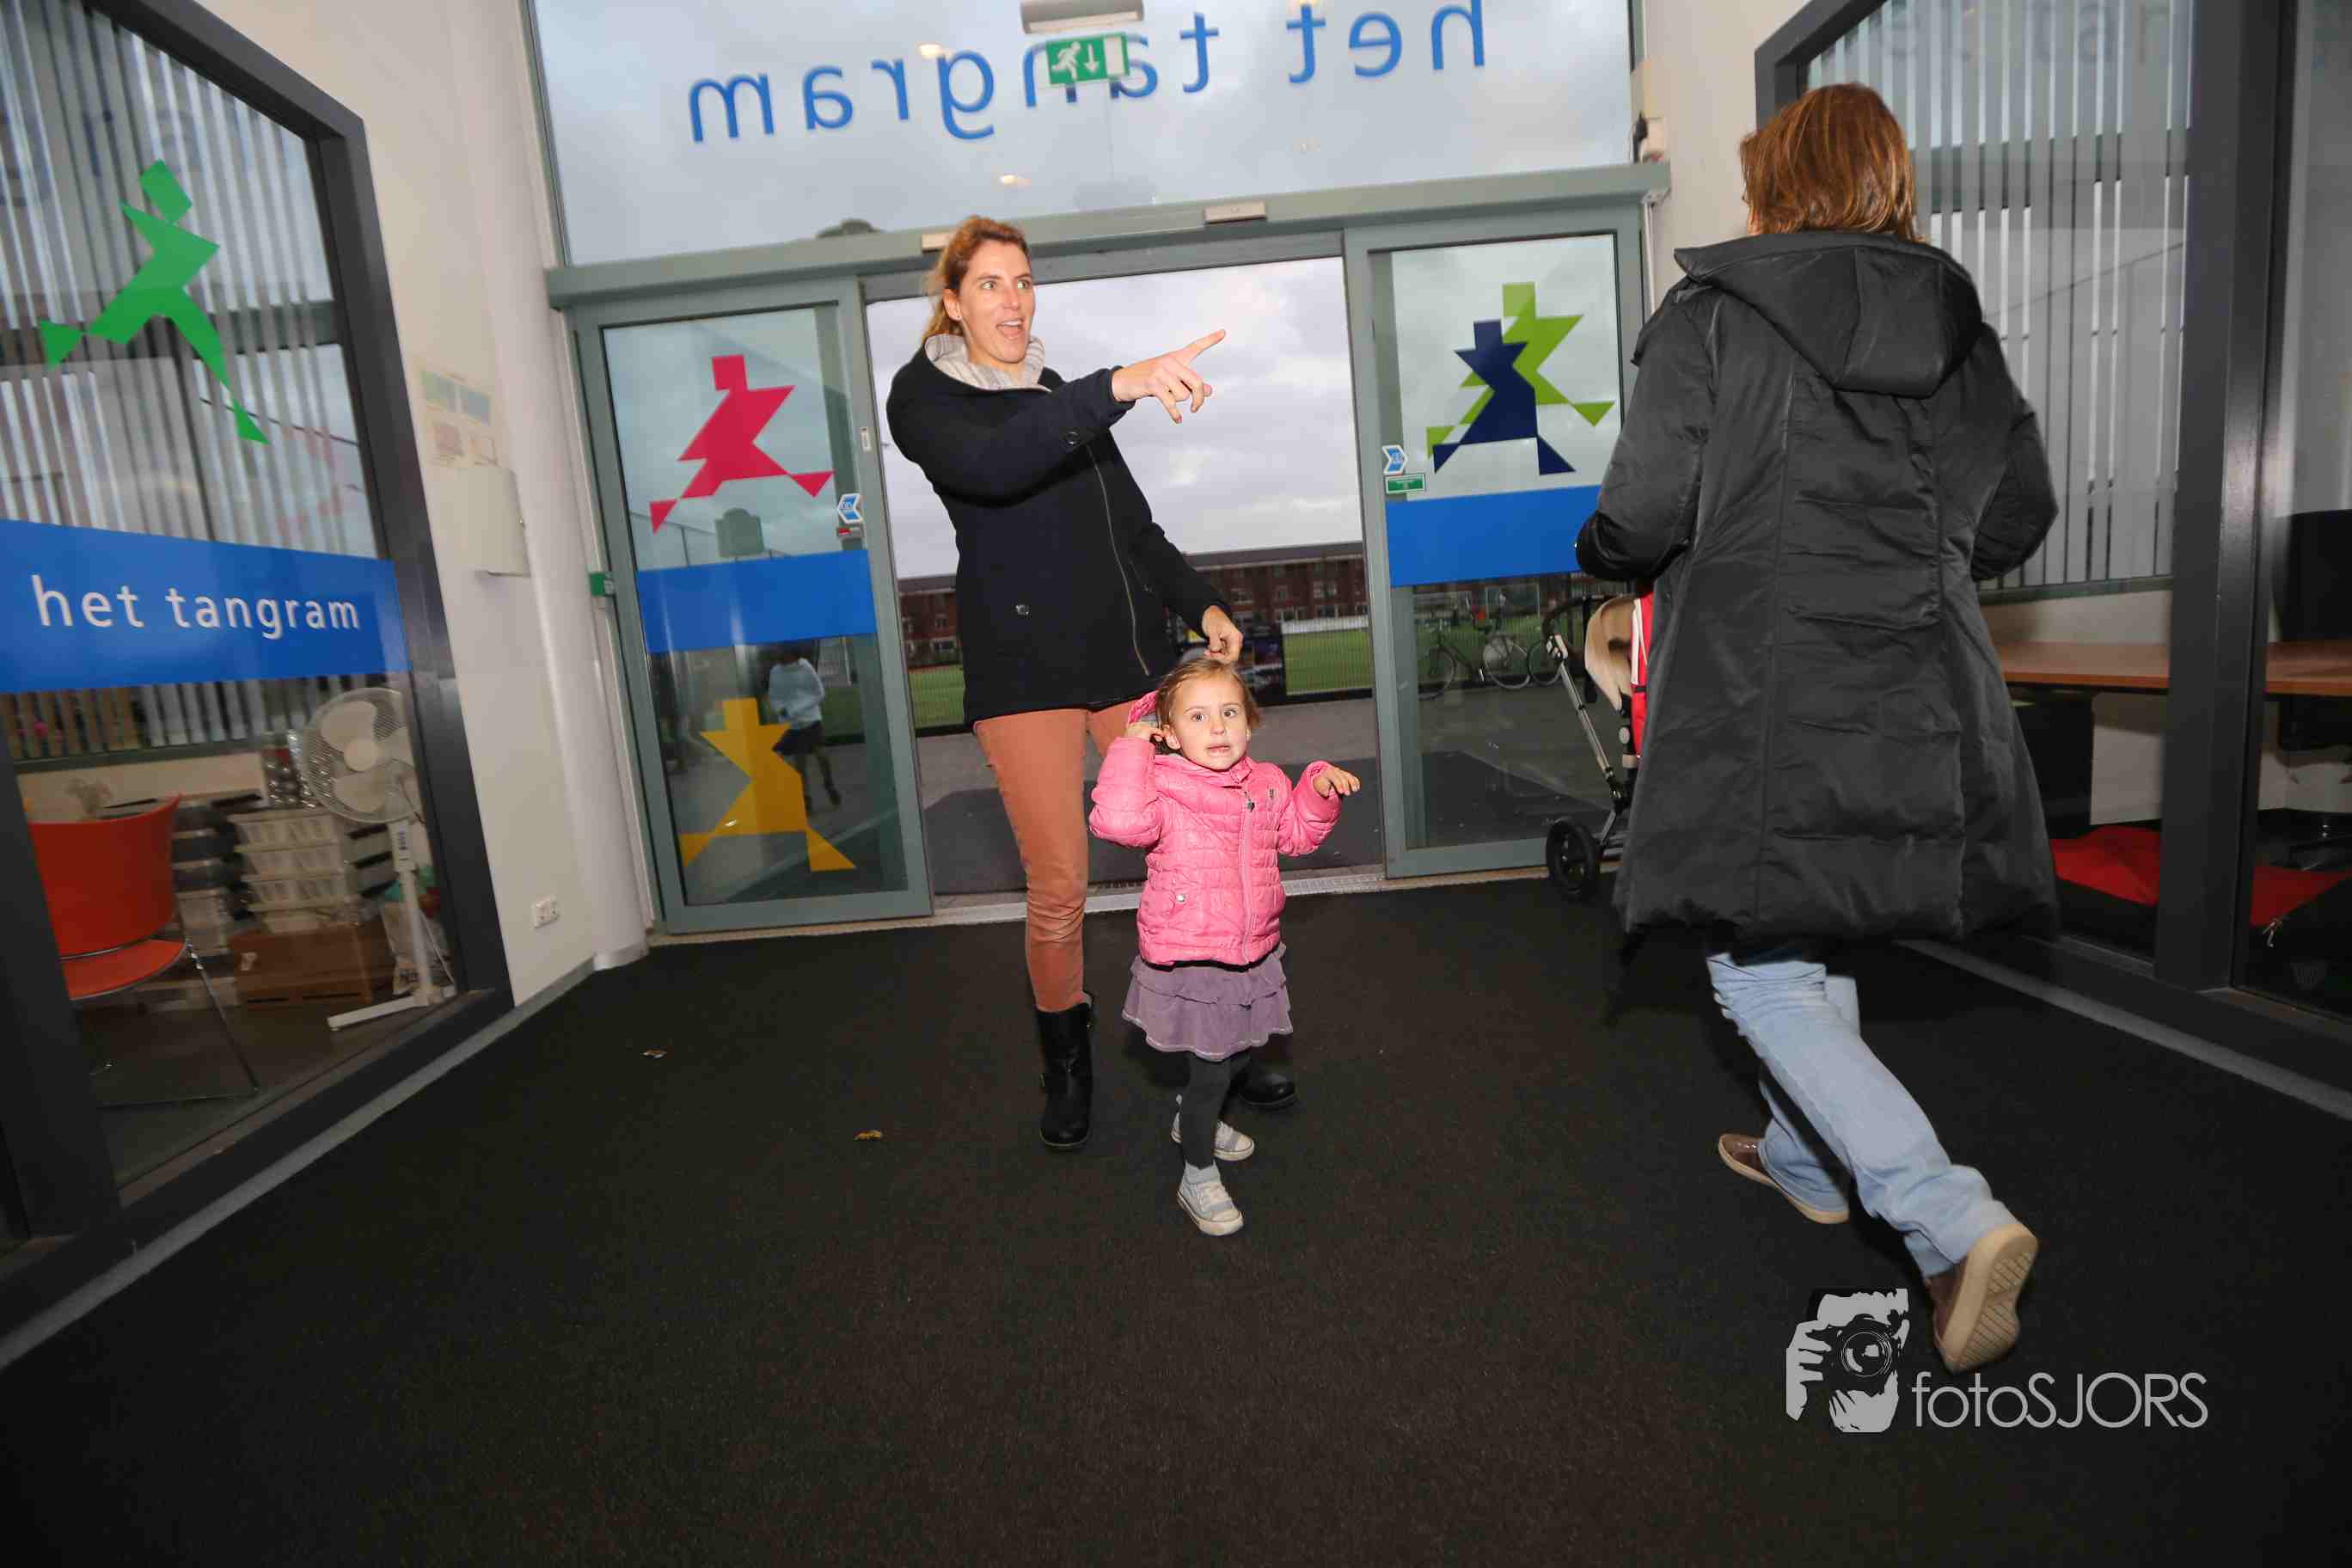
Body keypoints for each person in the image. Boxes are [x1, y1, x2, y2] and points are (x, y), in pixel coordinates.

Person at [1576, 83, 2061, 1373]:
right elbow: (2019, 513)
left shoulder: (1714, 315)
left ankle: (1949, 1222)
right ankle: (1803, 1156)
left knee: (1757, 970)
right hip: (1918, 689)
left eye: (1754, 185)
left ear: (1779, 188)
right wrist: (1920, 559)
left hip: (1763, 690)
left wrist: (1605, 549)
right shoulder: (1960, 334)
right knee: (1810, 918)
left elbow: (1647, 505)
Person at [885, 214, 1300, 1152]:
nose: (1013, 301)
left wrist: (1202, 604)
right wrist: (1120, 383)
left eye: (1024, 281)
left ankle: (1215, 1046)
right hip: (1021, 675)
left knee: (1201, 854)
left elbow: (1136, 532)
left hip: (1121, 666)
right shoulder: (926, 398)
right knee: (1061, 883)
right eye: (990, 284)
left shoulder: (1062, 397)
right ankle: (1067, 1065)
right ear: (953, 302)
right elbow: (996, 465)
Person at [1087, 660, 1359, 1235]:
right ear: (1169, 732)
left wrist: (1316, 791)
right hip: (1194, 956)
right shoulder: (1161, 785)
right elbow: (1118, 822)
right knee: (1212, 1072)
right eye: (1198, 716)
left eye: (1229, 712)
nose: (1217, 727)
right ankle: (1197, 1169)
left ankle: (1196, 1118)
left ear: (1249, 723)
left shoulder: (1266, 783)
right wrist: (1132, 747)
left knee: (1238, 1054)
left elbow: (1296, 836)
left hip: (1251, 952)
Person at [767, 645, 838, 808]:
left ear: (790, 652)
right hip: (792, 725)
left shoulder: (805, 667)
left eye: (780, 650)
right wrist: (780, 709)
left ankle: (829, 784)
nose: (777, 653)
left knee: (822, 756)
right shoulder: (775, 672)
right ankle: (805, 798)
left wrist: (797, 709)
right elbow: (774, 697)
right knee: (800, 763)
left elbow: (819, 693)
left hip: (811, 719)